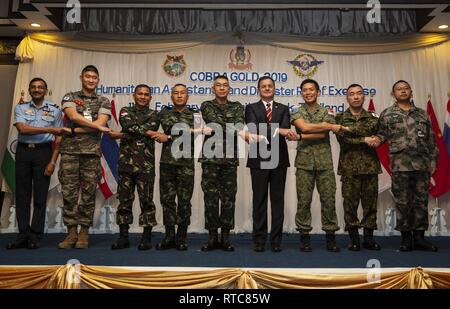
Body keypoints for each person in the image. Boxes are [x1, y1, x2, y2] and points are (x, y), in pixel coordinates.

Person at [375, 80, 438, 252]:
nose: (402, 91)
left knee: (420, 201)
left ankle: (419, 237)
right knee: (402, 202)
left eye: (405, 88)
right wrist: (375, 140)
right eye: (398, 89)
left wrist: (433, 162)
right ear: (393, 94)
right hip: (400, 165)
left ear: (411, 92)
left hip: (421, 165)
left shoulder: (422, 114)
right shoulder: (387, 114)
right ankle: (405, 238)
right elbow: (381, 135)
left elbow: (431, 140)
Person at [6, 77, 64, 250]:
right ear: (30, 90)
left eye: (40, 87)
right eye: (34, 87)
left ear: (45, 90)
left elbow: (59, 137)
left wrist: (53, 161)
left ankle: (35, 235)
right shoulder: (21, 107)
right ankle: (22, 234)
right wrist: (49, 129)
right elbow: (22, 129)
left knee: (40, 196)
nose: (37, 90)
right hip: (23, 152)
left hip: (44, 152)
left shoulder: (55, 110)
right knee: (22, 196)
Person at [58, 65, 111, 249]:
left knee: (88, 194)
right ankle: (71, 233)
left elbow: (102, 122)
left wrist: (72, 129)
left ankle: (83, 233)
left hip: (91, 154)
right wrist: (94, 126)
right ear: (81, 77)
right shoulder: (70, 97)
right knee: (69, 193)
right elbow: (72, 115)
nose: (90, 80)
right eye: (87, 76)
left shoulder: (104, 101)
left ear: (98, 80)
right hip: (70, 152)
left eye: (94, 77)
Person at [245, 76, 297, 253]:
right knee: (259, 201)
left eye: (270, 86)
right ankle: (259, 240)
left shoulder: (283, 108)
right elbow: (253, 129)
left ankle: (276, 241)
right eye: (263, 86)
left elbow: (285, 129)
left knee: (277, 202)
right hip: (258, 160)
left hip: (279, 160)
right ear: (258, 89)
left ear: (275, 88)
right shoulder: (251, 108)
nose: (267, 89)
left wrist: (278, 130)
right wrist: (278, 130)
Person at [110, 84, 163, 250]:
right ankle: (123, 237)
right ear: (134, 96)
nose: (143, 97)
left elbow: (148, 128)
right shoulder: (125, 110)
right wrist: (144, 132)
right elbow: (130, 126)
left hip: (145, 166)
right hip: (126, 164)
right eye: (140, 94)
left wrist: (121, 135)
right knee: (124, 201)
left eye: (146, 94)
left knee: (146, 202)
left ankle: (146, 237)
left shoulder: (154, 114)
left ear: (150, 97)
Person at [291, 78, 342, 252]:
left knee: (328, 200)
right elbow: (304, 128)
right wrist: (323, 126)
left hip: (324, 163)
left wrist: (310, 132)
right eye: (304, 90)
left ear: (318, 92)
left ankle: (330, 237)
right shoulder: (296, 111)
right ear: (301, 93)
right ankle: (304, 238)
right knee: (303, 202)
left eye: (311, 89)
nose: (308, 92)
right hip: (304, 164)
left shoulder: (328, 112)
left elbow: (322, 134)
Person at [199, 75, 244, 252]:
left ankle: (225, 238)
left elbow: (239, 127)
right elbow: (214, 123)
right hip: (210, 159)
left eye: (225, 85)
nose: (222, 88)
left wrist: (223, 126)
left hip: (230, 160)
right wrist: (229, 125)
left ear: (229, 88)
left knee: (228, 199)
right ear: (213, 88)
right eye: (218, 85)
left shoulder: (238, 106)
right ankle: (212, 238)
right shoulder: (206, 105)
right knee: (210, 198)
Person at [335, 84, 381, 251]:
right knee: (350, 205)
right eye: (352, 94)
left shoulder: (374, 118)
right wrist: (364, 139)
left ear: (364, 97)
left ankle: (368, 239)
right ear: (347, 98)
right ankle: (354, 239)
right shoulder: (339, 118)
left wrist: (377, 139)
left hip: (370, 166)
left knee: (370, 205)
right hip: (349, 168)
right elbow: (342, 139)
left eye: (359, 94)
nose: (355, 97)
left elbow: (380, 135)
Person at [155, 83, 196, 251]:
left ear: (187, 96)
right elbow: (157, 130)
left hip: (186, 164)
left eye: (182, 93)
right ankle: (169, 235)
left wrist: (169, 137)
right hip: (167, 163)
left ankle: (181, 237)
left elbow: (195, 133)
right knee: (168, 201)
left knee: (185, 202)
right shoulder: (164, 113)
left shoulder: (196, 115)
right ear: (171, 96)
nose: (179, 96)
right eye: (176, 93)